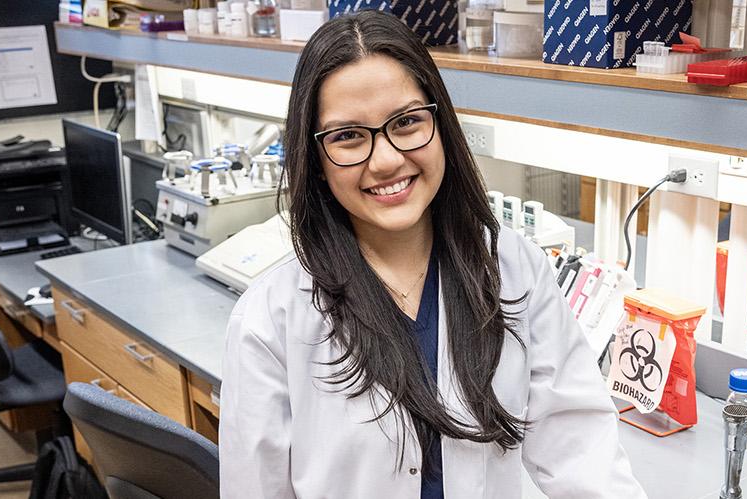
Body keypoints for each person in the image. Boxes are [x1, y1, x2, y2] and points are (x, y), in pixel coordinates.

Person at [219, 10, 645, 498]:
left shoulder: (514, 269)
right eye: (347, 136)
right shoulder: (270, 320)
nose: (385, 160)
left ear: (439, 124)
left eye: (406, 122)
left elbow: (579, 449)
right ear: (315, 161)